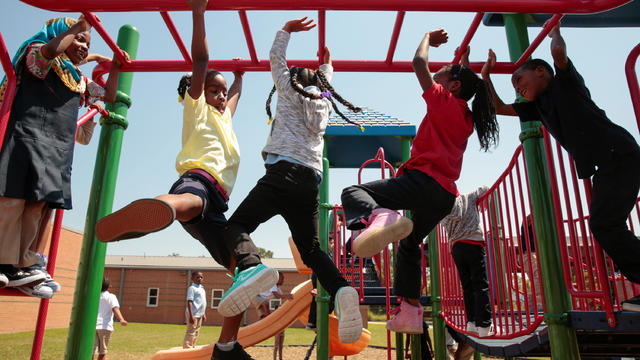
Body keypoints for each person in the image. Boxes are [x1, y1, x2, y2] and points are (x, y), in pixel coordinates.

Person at [95, 1, 254, 358]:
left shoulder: (224, 116)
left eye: (222, 92)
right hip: (196, 181)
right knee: (191, 203)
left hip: (216, 208)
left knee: (243, 273)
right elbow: (200, 61)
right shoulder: (195, 105)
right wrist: (198, 13)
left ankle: (227, 345)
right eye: (214, 90)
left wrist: (240, 78)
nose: (220, 97)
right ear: (197, 92)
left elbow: (235, 99)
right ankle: (158, 209)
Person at [218, 17, 364, 356]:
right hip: (309, 181)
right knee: (311, 250)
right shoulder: (324, 100)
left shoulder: (286, 88)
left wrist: (286, 29)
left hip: (281, 174)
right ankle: (341, 288)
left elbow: (275, 59)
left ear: (293, 81)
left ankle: (252, 266)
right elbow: (324, 81)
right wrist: (327, 64)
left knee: (237, 225)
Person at [341, 28, 499, 334]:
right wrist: (467, 66)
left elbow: (418, 63)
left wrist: (426, 37)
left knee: (353, 192)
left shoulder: (443, 101)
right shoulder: (466, 116)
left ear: (453, 86)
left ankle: (382, 215)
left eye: (446, 72)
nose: (439, 70)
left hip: (422, 182)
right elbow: (463, 79)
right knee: (410, 245)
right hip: (444, 196)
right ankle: (411, 311)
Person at [481, 20, 640, 312]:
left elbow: (559, 57)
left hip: (620, 154)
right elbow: (500, 107)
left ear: (540, 71)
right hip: (607, 165)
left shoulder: (565, 84)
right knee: (605, 224)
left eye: (519, 80)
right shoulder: (537, 106)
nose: (517, 88)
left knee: (605, 224)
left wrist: (554, 31)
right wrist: (486, 76)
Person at [0, 15, 125, 293]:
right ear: (62, 33)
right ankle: (3, 261)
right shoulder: (39, 53)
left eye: (87, 41)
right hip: (25, 136)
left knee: (36, 204)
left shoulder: (75, 78)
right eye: (79, 38)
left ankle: (22, 263)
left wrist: (115, 66)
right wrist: (78, 28)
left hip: (55, 149)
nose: (83, 44)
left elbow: (108, 95)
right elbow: (50, 51)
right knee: (12, 199)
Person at [441, 186, 494, 337]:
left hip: (457, 248)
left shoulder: (443, 210)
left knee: (467, 286)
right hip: (473, 242)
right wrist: (485, 203)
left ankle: (471, 322)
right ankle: (484, 325)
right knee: (480, 284)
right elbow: (484, 188)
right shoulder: (467, 198)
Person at [93, 277, 127, 360]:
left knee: (91, 351)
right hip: (105, 327)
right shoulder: (111, 296)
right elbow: (115, 308)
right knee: (102, 352)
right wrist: (121, 319)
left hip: (93, 326)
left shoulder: (94, 295)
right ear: (109, 286)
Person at [184, 271, 207, 348]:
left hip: (200, 313)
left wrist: (203, 314)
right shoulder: (192, 288)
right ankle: (187, 347)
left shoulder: (202, 289)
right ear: (192, 279)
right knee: (191, 331)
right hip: (193, 313)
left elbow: (201, 302)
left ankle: (193, 346)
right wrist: (191, 315)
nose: (199, 279)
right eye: (197, 277)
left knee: (197, 331)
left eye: (201, 277)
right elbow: (189, 301)